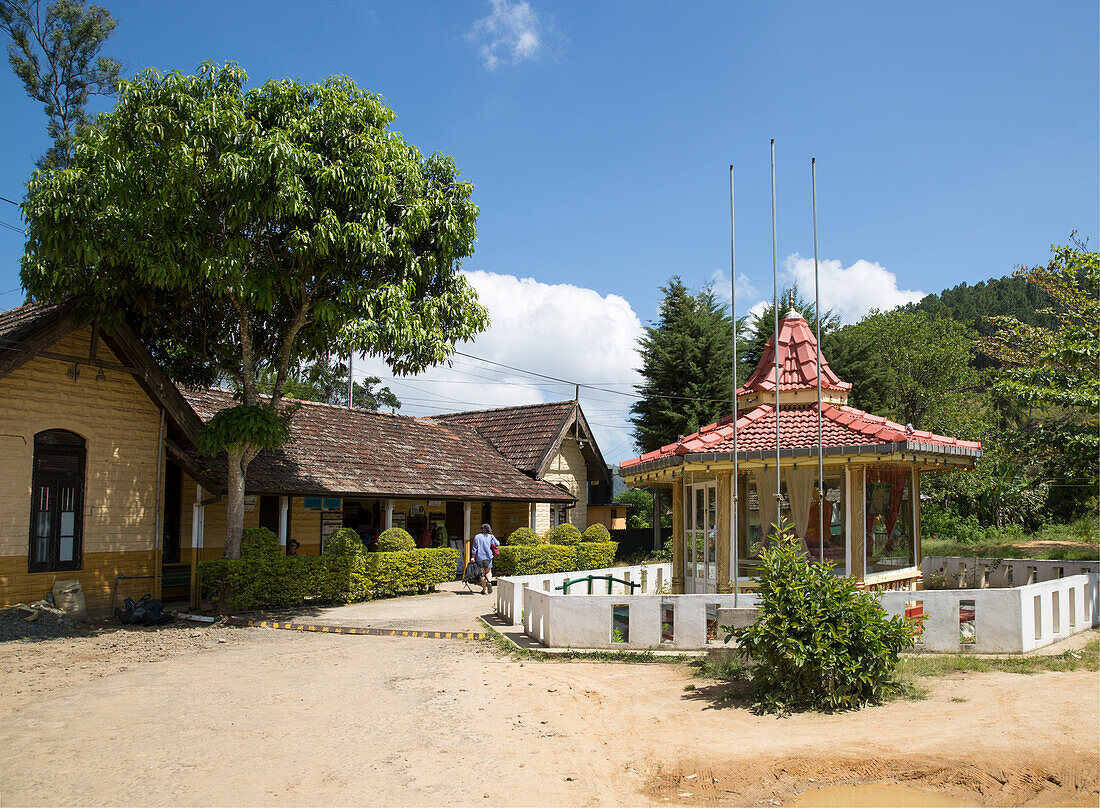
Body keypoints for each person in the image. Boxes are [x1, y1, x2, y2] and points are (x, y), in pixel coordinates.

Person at [470, 523, 499, 595]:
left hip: (479, 557)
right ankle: (489, 581)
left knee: (482, 573)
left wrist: (473, 557)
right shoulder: (490, 536)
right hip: (488, 556)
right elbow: (497, 543)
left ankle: (484, 590)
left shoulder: (477, 537)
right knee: (488, 572)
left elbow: (474, 548)